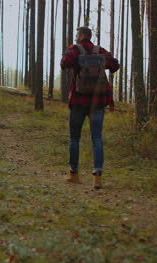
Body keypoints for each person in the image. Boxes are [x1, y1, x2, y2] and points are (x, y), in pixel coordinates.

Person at [60, 27, 120, 189]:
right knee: (96, 139)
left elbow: (64, 63)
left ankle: (74, 174)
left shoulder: (74, 49)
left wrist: (77, 63)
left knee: (74, 138)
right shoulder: (99, 51)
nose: (76, 36)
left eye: (77, 34)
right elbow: (115, 65)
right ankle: (97, 177)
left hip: (79, 101)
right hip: (97, 102)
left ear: (82, 35)